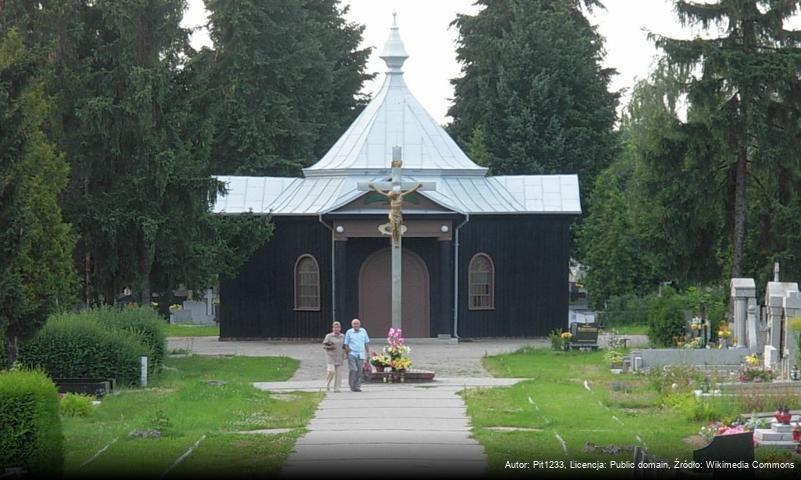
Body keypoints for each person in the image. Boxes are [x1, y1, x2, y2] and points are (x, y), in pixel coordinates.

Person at [343, 318, 370, 392]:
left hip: (361, 353)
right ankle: (352, 385)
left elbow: (366, 343)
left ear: (359, 324)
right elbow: (346, 344)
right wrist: (347, 352)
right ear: (352, 325)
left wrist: (368, 353)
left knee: (359, 371)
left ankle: (357, 386)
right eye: (354, 324)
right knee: (353, 369)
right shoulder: (349, 332)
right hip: (352, 353)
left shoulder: (363, 331)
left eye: (357, 323)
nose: (356, 325)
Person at [322, 321, 345, 392]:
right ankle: (327, 384)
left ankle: (337, 388)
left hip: (339, 356)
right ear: (332, 328)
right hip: (331, 356)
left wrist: (346, 353)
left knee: (339, 374)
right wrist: (330, 347)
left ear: (340, 328)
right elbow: (324, 345)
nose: (336, 329)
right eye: (335, 327)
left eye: (338, 327)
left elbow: (345, 346)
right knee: (331, 371)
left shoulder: (343, 336)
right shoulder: (329, 336)